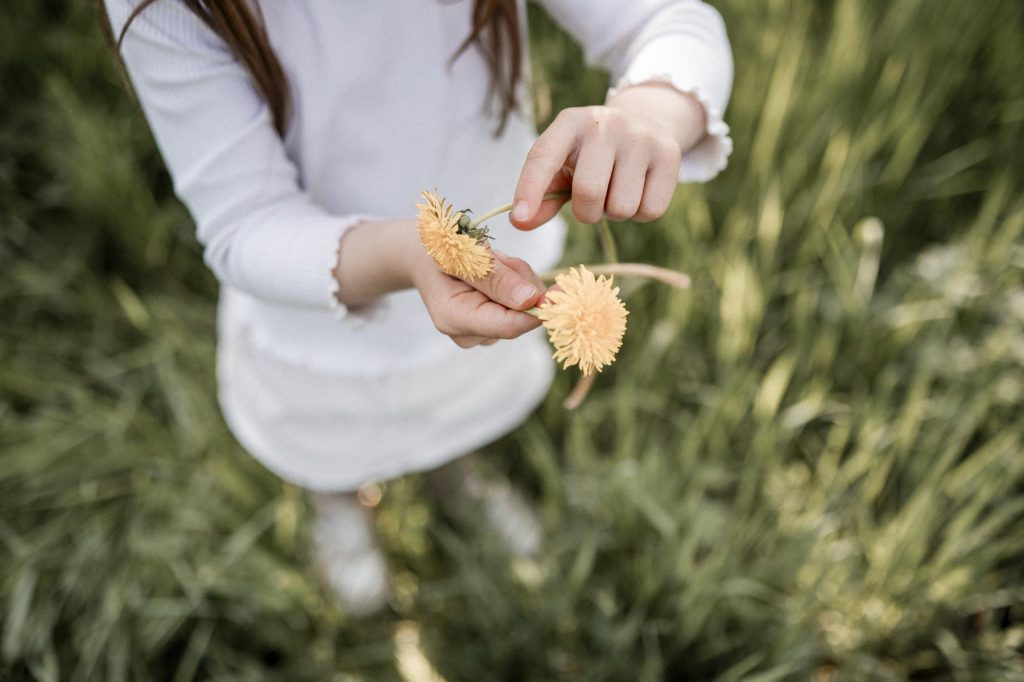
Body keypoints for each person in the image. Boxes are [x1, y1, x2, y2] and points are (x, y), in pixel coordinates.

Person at [100, 0, 734, 615]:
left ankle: (454, 469)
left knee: (460, 400)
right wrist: (409, 255)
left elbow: (668, 18)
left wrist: (647, 113)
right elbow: (245, 224)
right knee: (328, 438)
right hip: (315, 289)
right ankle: (337, 498)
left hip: (491, 264)